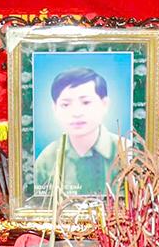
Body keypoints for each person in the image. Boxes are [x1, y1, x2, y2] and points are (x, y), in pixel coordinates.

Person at [33, 68, 127, 196]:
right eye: (66, 105)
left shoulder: (126, 151)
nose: (76, 113)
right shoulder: (46, 160)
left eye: (86, 102)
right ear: (55, 109)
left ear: (104, 104)